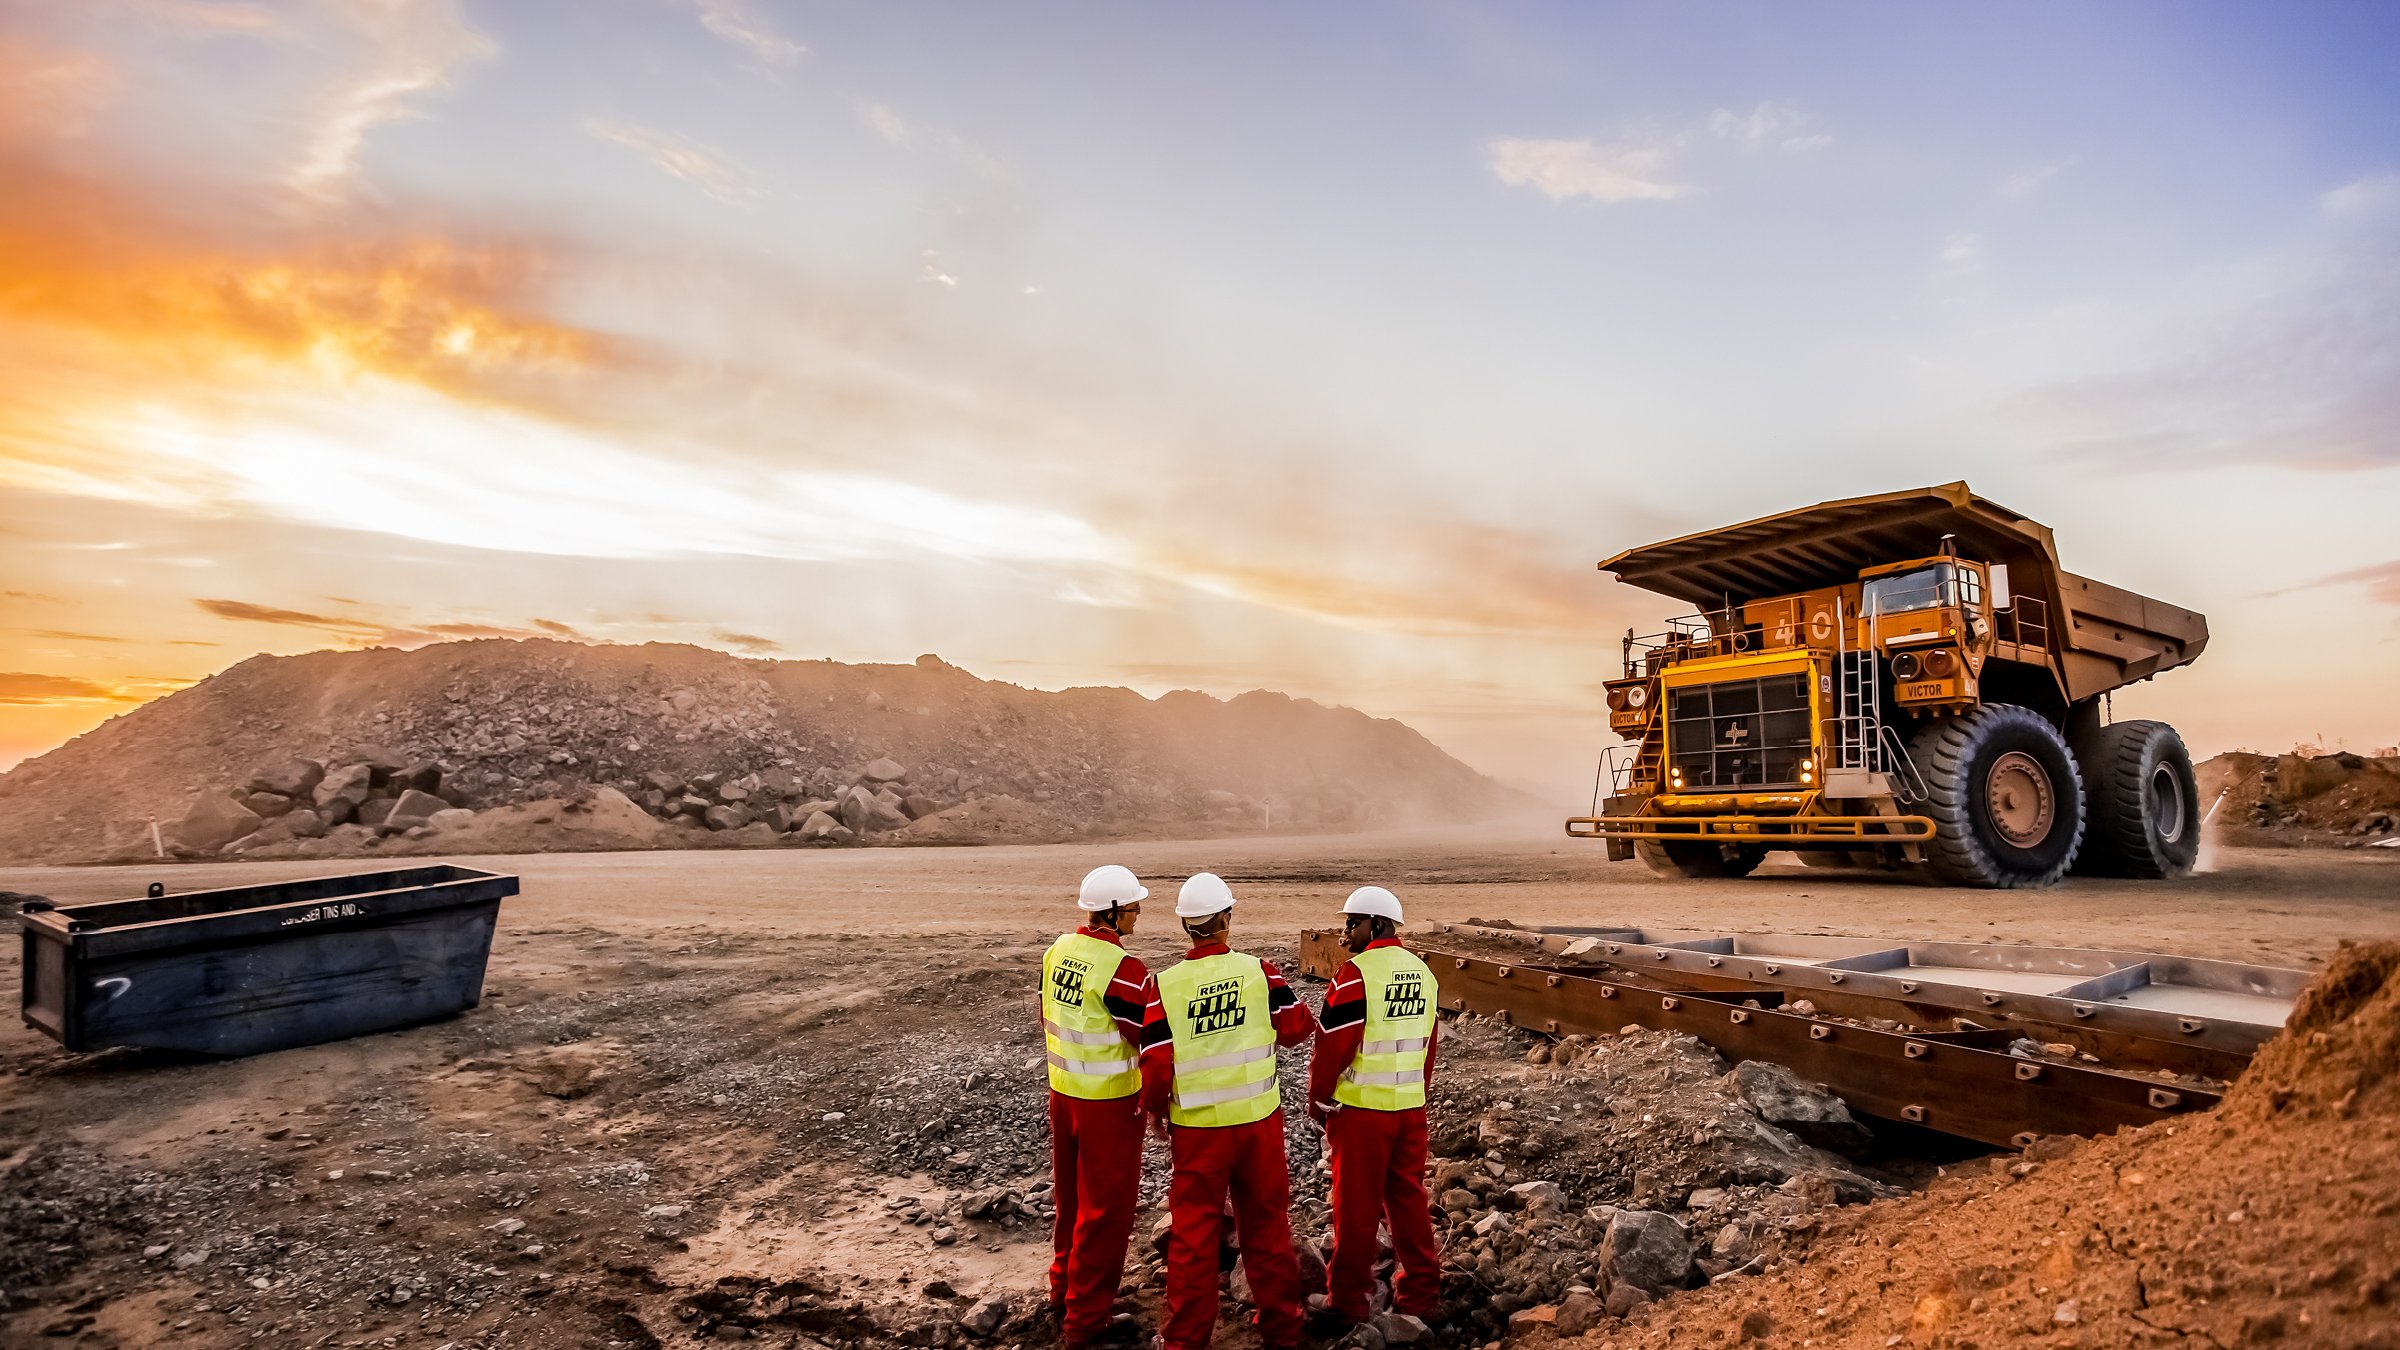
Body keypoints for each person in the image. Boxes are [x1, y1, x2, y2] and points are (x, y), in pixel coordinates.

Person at [1140, 872, 1316, 1350]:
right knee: (1267, 1228)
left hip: (1198, 1133)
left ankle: (1185, 1339)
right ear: (1227, 920)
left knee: (1193, 1237)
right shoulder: (1261, 971)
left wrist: (1155, 1109)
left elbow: (1155, 1063)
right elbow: (1298, 1027)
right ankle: (1284, 1328)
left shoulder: (1165, 985)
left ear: (1185, 926)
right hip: (1258, 1125)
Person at [1308, 885, 1442, 1328]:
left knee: (1356, 1208)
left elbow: (1332, 1047)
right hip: (1409, 1108)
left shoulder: (1355, 975)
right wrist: (1415, 1095)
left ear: (1377, 924)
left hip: (1362, 1113)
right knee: (1408, 1201)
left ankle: (1347, 1300)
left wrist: (1318, 1098)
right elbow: (1427, 1046)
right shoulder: (1423, 973)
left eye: (1353, 922)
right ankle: (1422, 1294)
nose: (1345, 930)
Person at [1041, 864, 1153, 1348]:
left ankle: (1063, 1289)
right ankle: (1086, 1320)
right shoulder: (1123, 970)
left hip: (1063, 1094)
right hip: (1107, 1103)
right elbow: (1145, 1037)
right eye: (1132, 909)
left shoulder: (1058, 951)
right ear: (1111, 912)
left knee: (1069, 1202)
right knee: (1105, 1212)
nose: (1138, 916)